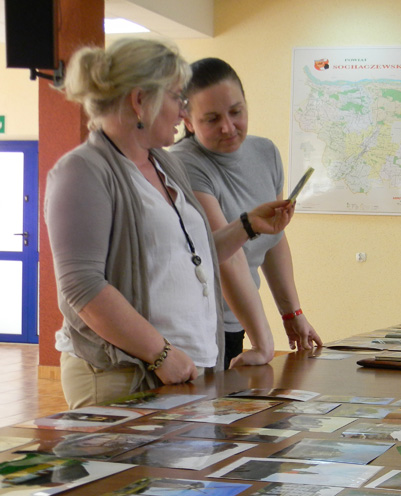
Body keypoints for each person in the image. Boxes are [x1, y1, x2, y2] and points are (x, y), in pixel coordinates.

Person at [45, 38, 293, 409]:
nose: (182, 112)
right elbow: (82, 286)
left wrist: (247, 226)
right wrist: (161, 354)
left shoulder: (164, 163)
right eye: (177, 98)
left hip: (186, 372)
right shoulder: (83, 170)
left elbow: (193, 256)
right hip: (124, 375)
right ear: (140, 100)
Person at [172, 58, 322, 367]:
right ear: (187, 121)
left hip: (235, 321)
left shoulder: (265, 152)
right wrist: (264, 343)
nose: (228, 127)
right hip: (194, 330)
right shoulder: (183, 163)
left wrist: (292, 313)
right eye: (212, 119)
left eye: (236, 112)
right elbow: (227, 257)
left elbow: (273, 237)